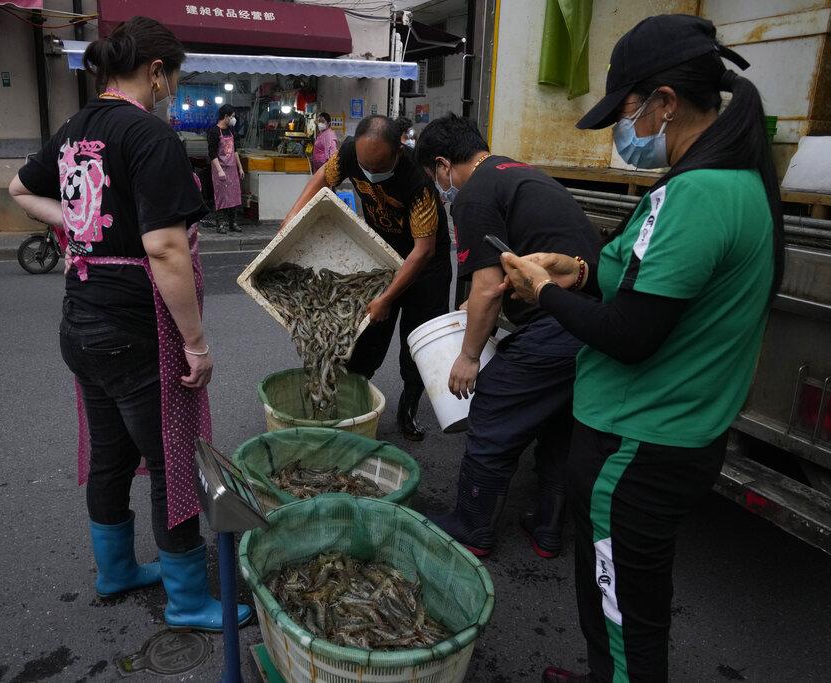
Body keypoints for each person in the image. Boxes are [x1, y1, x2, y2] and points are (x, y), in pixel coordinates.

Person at [498, 15, 783, 682]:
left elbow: (631, 333)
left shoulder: (702, 192)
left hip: (637, 446)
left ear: (664, 101)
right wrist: (579, 271)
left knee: (625, 617)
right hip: (667, 436)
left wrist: (544, 293)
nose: (623, 134)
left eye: (625, 110)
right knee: (616, 599)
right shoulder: (731, 180)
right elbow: (650, 285)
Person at [8, 15, 252, 632]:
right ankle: (189, 600)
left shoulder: (75, 127)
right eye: (175, 77)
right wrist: (196, 344)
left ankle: (115, 571)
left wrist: (77, 224)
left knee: (111, 456)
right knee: (171, 459)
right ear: (158, 72)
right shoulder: (150, 136)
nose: (173, 88)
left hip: (80, 322)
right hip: (134, 328)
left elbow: (17, 187)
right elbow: (167, 250)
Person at [414, 113, 600, 558]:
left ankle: (471, 526)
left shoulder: (473, 195)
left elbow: (485, 287)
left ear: (443, 165)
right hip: (595, 321)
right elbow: (494, 282)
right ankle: (548, 527)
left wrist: (468, 357)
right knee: (557, 421)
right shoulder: (518, 174)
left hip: (560, 324)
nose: (441, 188)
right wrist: (474, 309)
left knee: (495, 405)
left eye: (434, 178)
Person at [282, 115, 452, 441]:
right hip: (382, 255)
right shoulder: (348, 152)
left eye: (380, 165)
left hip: (425, 265)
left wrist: (387, 297)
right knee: (368, 333)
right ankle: (352, 401)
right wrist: (292, 218)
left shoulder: (418, 184)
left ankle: (409, 408)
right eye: (365, 165)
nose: (372, 173)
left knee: (416, 341)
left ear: (397, 151)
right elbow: (322, 179)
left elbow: (422, 251)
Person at [206, 104, 243, 235]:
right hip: (220, 168)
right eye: (232, 116)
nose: (234, 119)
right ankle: (221, 224)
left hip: (232, 168)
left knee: (234, 195)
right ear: (226, 117)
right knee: (221, 196)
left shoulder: (231, 131)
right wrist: (220, 170)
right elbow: (212, 154)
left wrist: (240, 167)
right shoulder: (214, 132)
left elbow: (235, 150)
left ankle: (233, 223)